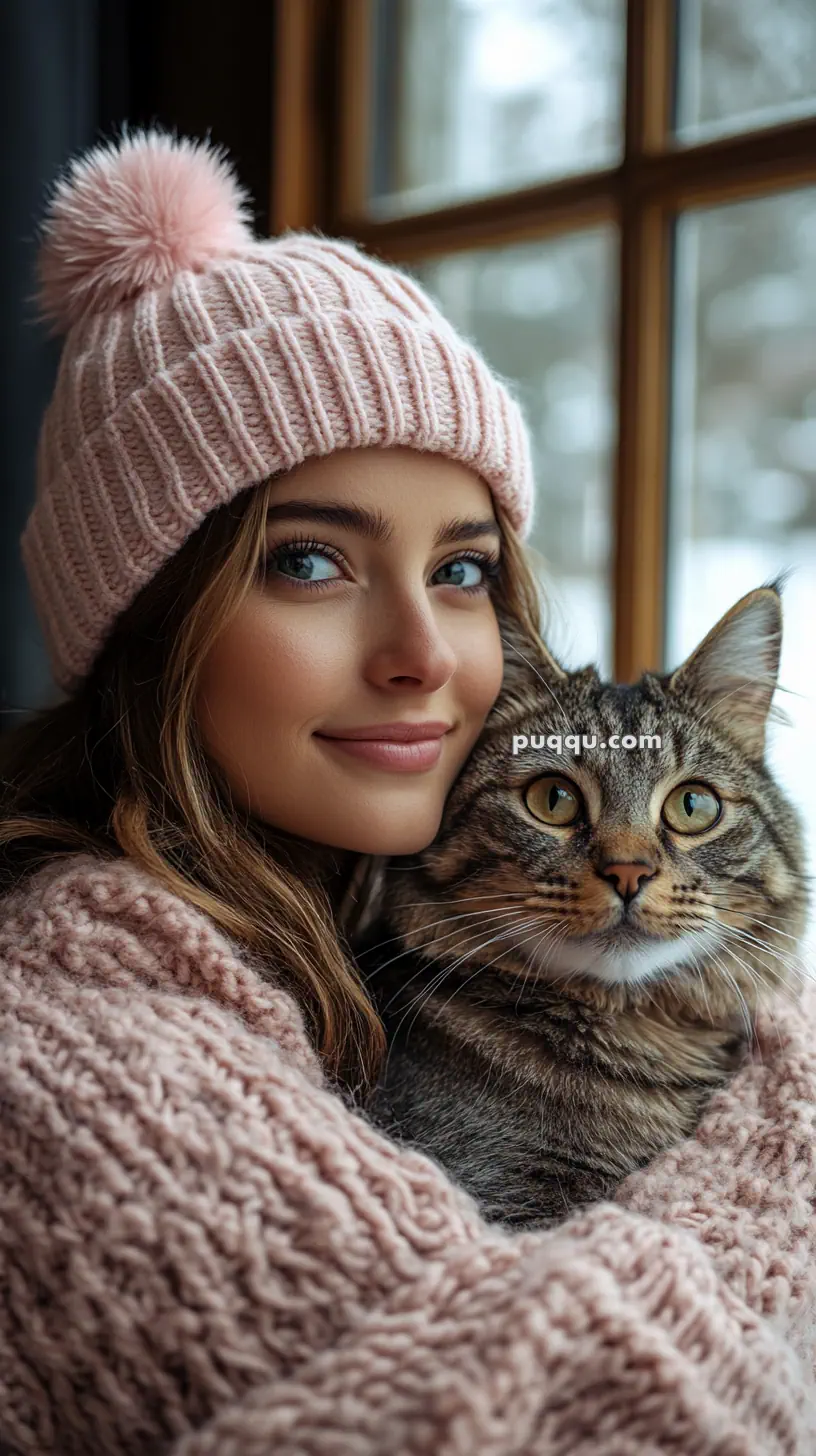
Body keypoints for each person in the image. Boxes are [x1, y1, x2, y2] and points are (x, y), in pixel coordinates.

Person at [0, 127, 815, 1456]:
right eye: (312, 563)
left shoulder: (371, 929)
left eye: (465, 571)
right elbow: (605, 1423)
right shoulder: (65, 1049)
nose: (425, 655)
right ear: (151, 623)